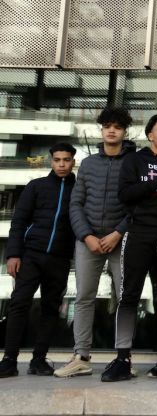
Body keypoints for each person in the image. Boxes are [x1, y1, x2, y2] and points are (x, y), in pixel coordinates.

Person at [100, 114, 157, 382]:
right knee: (130, 296)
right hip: (140, 233)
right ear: (150, 135)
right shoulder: (135, 160)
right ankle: (123, 358)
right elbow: (125, 195)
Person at [54, 108, 136, 378]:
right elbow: (75, 203)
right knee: (84, 297)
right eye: (107, 126)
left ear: (125, 131)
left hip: (120, 240)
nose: (111, 131)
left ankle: (124, 357)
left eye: (117, 127)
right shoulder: (88, 164)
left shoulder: (133, 162)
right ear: (101, 130)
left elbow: (137, 205)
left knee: (125, 299)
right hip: (87, 240)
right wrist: (86, 236)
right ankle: (81, 355)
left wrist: (118, 233)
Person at [0, 143, 77, 378]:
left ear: (73, 161)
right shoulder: (36, 187)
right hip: (31, 255)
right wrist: (13, 254)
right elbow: (19, 221)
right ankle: (9, 360)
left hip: (60, 258)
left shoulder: (79, 189)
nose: (61, 164)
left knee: (50, 309)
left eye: (66, 160)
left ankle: (39, 360)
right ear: (51, 161)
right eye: (57, 160)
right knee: (19, 304)